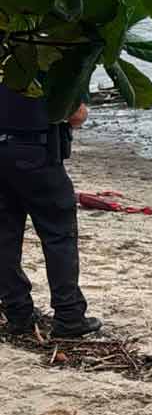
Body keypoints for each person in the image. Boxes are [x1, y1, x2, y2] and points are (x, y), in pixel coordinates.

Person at [0, 85, 102, 338]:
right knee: (59, 235)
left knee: (4, 238)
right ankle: (69, 316)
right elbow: (76, 115)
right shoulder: (47, 59)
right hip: (37, 154)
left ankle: (18, 313)